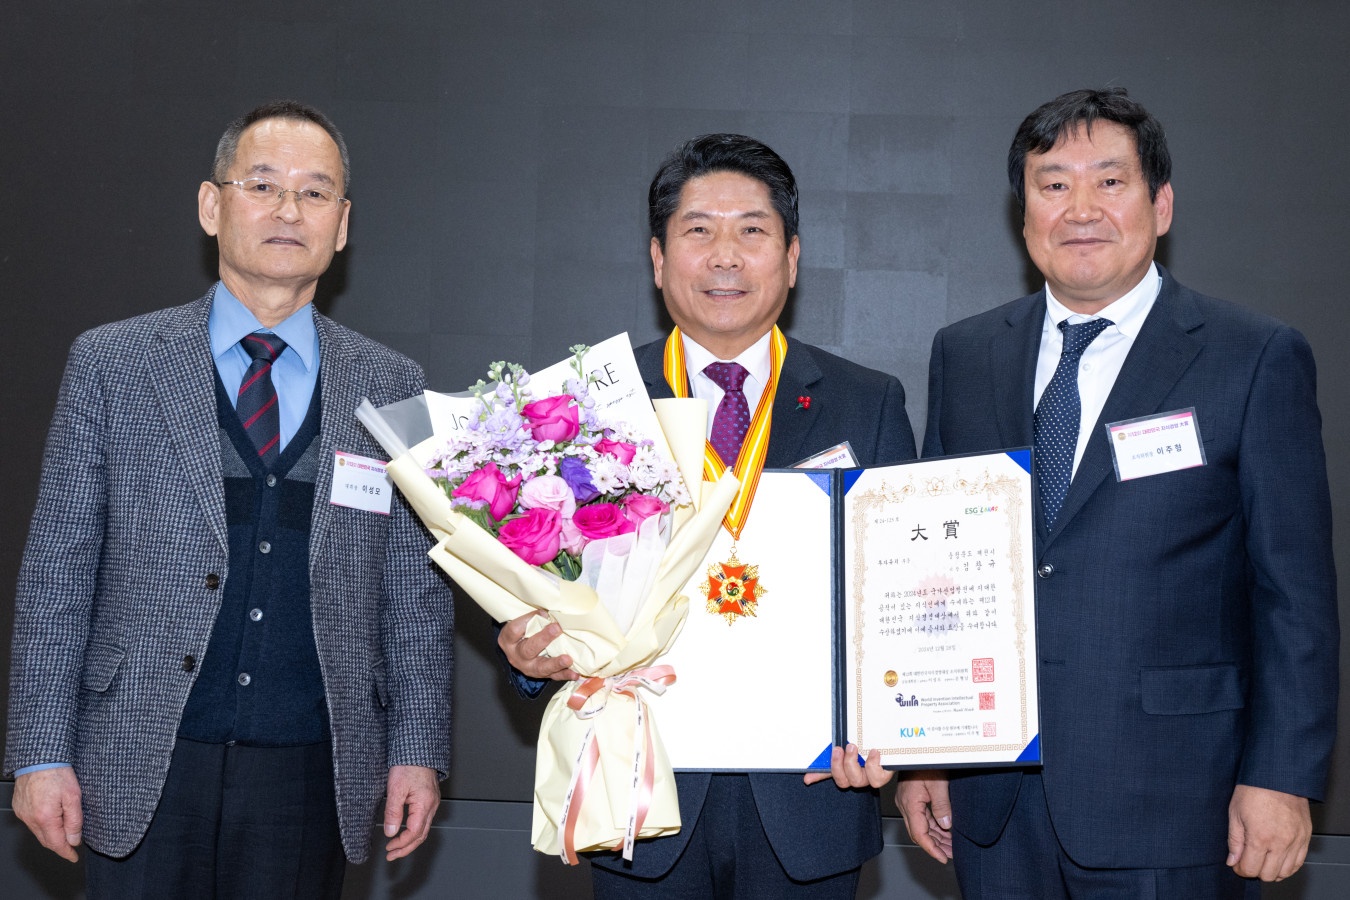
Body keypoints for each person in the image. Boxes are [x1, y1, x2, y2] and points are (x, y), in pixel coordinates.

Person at [4, 100, 453, 898]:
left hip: (312, 771)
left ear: (342, 226)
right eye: (263, 185)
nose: (289, 210)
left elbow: (415, 595)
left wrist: (416, 745)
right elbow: (57, 574)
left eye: (316, 193)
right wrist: (40, 751)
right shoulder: (113, 364)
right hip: (139, 756)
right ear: (213, 206)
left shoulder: (394, 387)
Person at [898, 87, 1338, 898]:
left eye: (1110, 181)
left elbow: (1294, 593)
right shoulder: (966, 355)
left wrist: (1283, 775)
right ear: (1024, 212)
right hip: (994, 798)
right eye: (1053, 184)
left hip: (1177, 795)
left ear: (1160, 204)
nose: (1080, 209)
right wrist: (926, 754)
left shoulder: (1253, 356)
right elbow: (938, 578)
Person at [499, 133, 916, 898]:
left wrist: (895, 725)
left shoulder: (867, 403)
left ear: (791, 258)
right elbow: (544, 580)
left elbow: (901, 593)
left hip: (813, 797)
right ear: (659, 260)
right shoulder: (592, 408)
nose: (726, 256)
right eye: (699, 231)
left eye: (752, 231)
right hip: (640, 798)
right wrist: (530, 657)